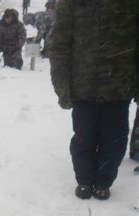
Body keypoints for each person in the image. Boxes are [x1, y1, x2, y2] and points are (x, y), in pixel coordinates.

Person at [49, 0, 138, 200]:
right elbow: (59, 45)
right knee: (83, 137)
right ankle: (85, 180)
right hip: (83, 85)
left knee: (114, 139)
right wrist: (62, 85)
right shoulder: (72, 4)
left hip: (119, 86)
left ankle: (103, 182)